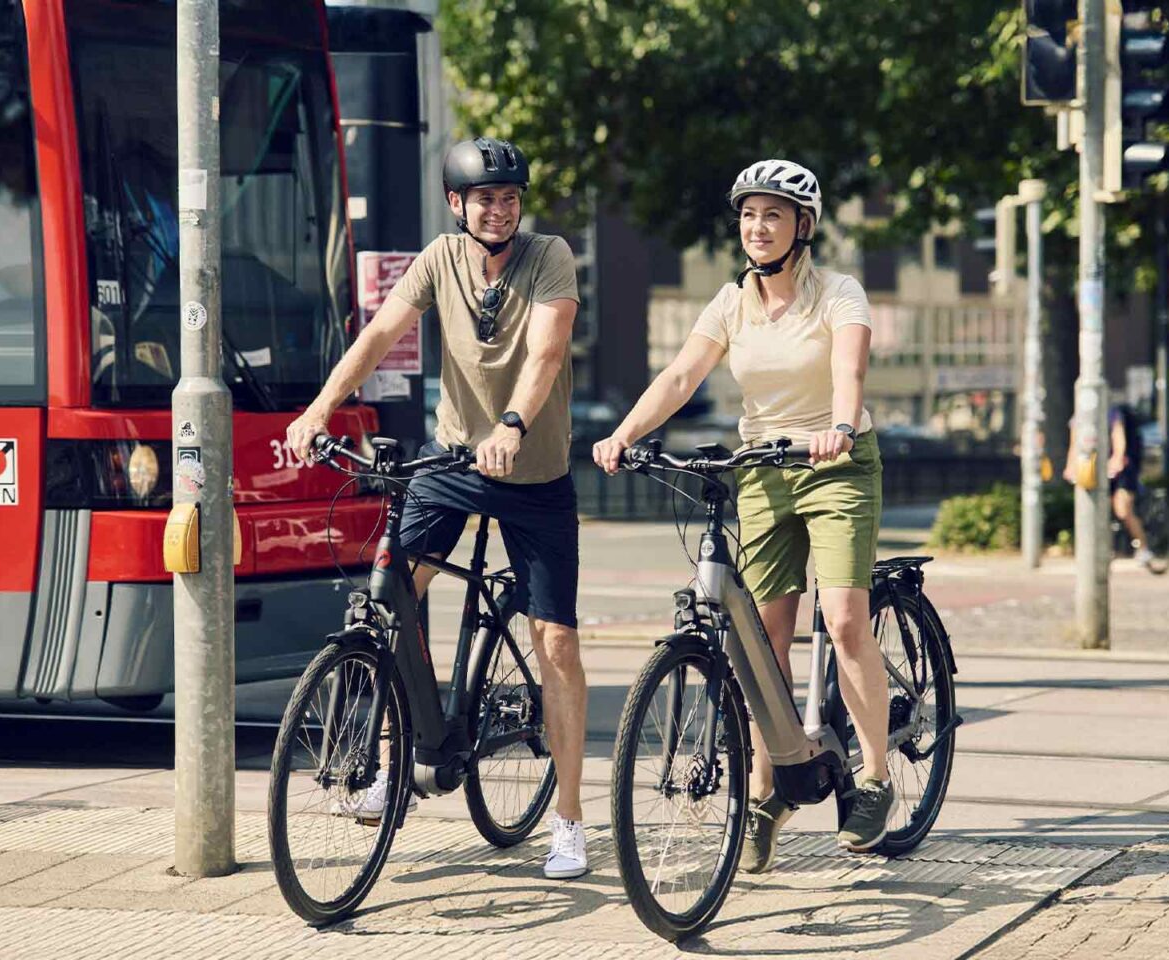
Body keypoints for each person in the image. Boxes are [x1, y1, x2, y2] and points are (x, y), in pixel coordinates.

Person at [285, 137, 590, 880]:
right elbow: (382, 332)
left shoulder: (549, 255)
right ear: (458, 205)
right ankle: (404, 759)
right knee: (388, 597)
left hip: (534, 471)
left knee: (554, 642)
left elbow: (546, 354)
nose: (500, 209)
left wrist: (513, 426)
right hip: (455, 462)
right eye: (486, 198)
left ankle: (570, 821)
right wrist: (321, 407)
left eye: (511, 197)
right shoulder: (438, 259)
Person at [594, 159, 891, 874]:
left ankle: (876, 776)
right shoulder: (730, 304)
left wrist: (841, 429)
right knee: (760, 643)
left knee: (845, 618)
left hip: (835, 464)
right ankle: (767, 793)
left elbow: (848, 372)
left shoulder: (839, 294)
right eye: (749, 215)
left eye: (774, 215)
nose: (757, 228)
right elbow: (680, 375)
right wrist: (625, 434)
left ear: (803, 227)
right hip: (763, 470)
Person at [1063, 403, 1153, 567]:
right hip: (1095, 467)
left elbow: (1118, 438)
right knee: (1096, 509)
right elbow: (1074, 444)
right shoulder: (1078, 418)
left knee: (1123, 509)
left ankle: (1143, 548)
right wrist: (1070, 466)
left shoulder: (1112, 413)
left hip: (1121, 470)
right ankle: (1104, 548)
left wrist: (1117, 459)